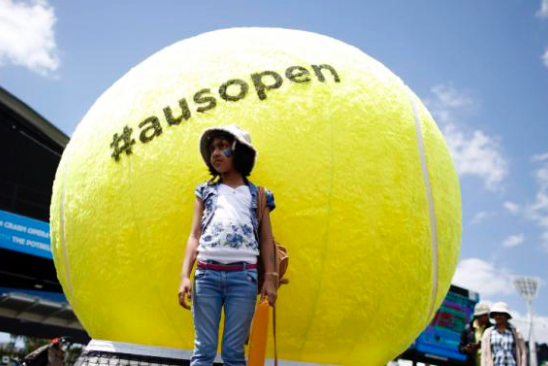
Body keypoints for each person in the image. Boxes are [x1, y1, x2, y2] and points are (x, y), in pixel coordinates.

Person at [178, 125, 278, 366]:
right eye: (213, 148)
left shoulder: (260, 195)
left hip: (243, 278)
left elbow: (266, 239)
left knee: (234, 353)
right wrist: (184, 275)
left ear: (240, 152)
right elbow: (194, 235)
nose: (216, 153)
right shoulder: (205, 191)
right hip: (206, 276)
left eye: (223, 146)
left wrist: (271, 278)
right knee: (203, 351)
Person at [481, 302, 527, 366]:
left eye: (501, 314)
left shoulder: (516, 332)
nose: (498, 316)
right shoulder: (488, 333)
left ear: (506, 315)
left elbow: (523, 353)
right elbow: (484, 356)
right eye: (495, 314)